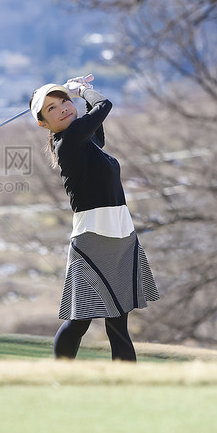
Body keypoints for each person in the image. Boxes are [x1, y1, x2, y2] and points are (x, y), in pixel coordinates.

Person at [30, 75, 159, 361]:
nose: (62, 108)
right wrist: (82, 90)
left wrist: (78, 95)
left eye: (64, 101)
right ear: (43, 124)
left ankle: (124, 385)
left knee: (117, 321)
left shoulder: (84, 140)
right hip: (95, 236)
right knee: (82, 319)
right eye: (51, 109)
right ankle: (60, 374)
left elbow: (95, 122)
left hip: (119, 233)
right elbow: (103, 106)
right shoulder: (68, 141)